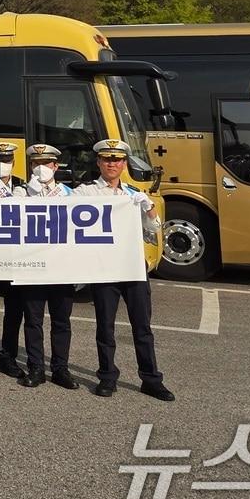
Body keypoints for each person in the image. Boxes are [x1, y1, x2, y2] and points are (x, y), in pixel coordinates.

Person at [77, 139, 174, 401]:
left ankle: (151, 379)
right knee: (105, 327)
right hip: (105, 269)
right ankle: (107, 377)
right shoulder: (85, 194)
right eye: (107, 159)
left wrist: (149, 207)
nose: (112, 164)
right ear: (98, 162)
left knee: (142, 327)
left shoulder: (133, 195)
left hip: (133, 268)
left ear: (123, 164)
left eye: (117, 160)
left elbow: (154, 230)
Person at [17, 143, 79, 390]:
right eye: (36, 164)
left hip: (61, 267)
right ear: (31, 166)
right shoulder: (22, 193)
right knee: (33, 320)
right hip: (32, 266)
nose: (41, 168)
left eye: (46, 164)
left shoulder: (69, 194)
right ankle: (35, 368)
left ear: (55, 166)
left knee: (61, 320)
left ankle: (60, 369)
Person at [0, 140, 28, 379]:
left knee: (14, 311)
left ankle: (7, 357)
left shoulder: (24, 186)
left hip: (16, 259)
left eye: (6, 160)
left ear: (13, 161)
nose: (2, 164)